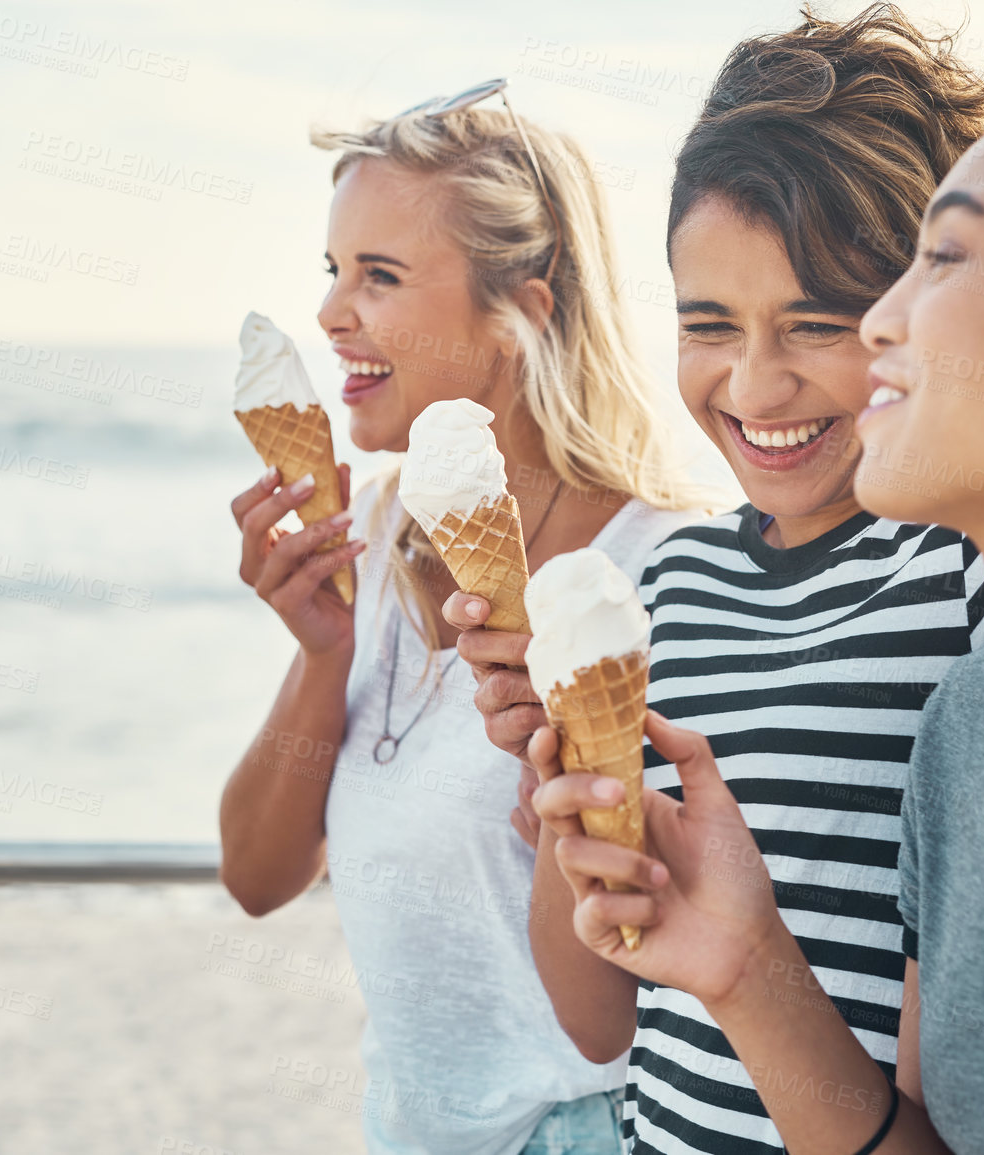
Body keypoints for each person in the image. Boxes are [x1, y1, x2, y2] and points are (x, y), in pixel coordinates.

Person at [448, 7, 984, 1152]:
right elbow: (618, 1013)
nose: (764, 376)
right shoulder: (963, 736)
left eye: (933, 263)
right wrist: (688, 911)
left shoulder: (983, 594)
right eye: (710, 324)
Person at [218, 83, 706, 1155]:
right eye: (334, 272)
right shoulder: (380, 541)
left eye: (380, 278)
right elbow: (258, 879)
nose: (333, 314)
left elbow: (629, 993)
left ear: (522, 313)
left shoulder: (659, 572)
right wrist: (320, 651)